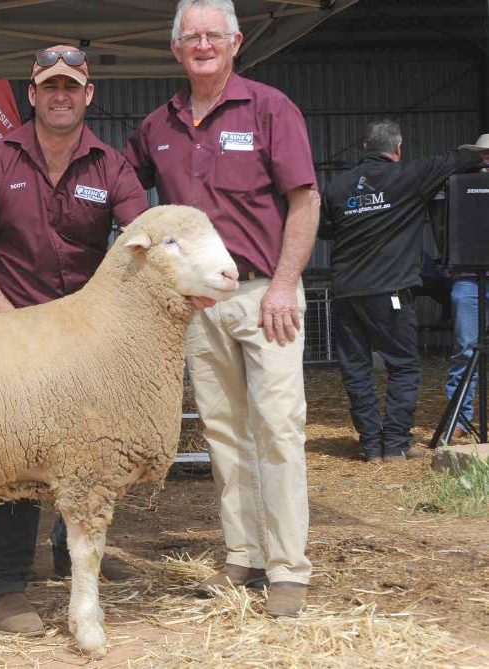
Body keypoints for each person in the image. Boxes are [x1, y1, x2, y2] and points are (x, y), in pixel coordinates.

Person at [124, 0, 320, 617]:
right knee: (223, 432)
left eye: (214, 35)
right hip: (198, 305)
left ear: (236, 43)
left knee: (279, 428)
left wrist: (286, 284)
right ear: (176, 50)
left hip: (266, 295)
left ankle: (288, 566)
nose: (203, 45)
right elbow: (126, 199)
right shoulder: (158, 125)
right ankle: (245, 553)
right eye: (191, 37)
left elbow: (305, 200)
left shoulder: (269, 108)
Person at [0, 44, 150, 635]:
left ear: (88, 95)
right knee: (16, 463)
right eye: (49, 87)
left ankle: (73, 556)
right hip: (11, 331)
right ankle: (5, 583)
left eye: (72, 87)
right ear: (32, 95)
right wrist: (10, 321)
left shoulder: (111, 166)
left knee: (88, 455)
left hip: (85, 343)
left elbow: (141, 240)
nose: (60, 96)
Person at [321, 121, 487, 462]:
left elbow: (325, 230)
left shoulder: (337, 186)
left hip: (345, 292)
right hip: (390, 289)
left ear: (363, 148)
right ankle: (395, 443)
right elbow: (457, 160)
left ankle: (371, 445)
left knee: (356, 368)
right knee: (405, 367)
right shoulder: (410, 176)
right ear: (397, 149)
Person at [445, 134, 489, 440]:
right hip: (468, 278)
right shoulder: (458, 188)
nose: (485, 161)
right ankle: (459, 418)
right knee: (465, 348)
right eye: (482, 155)